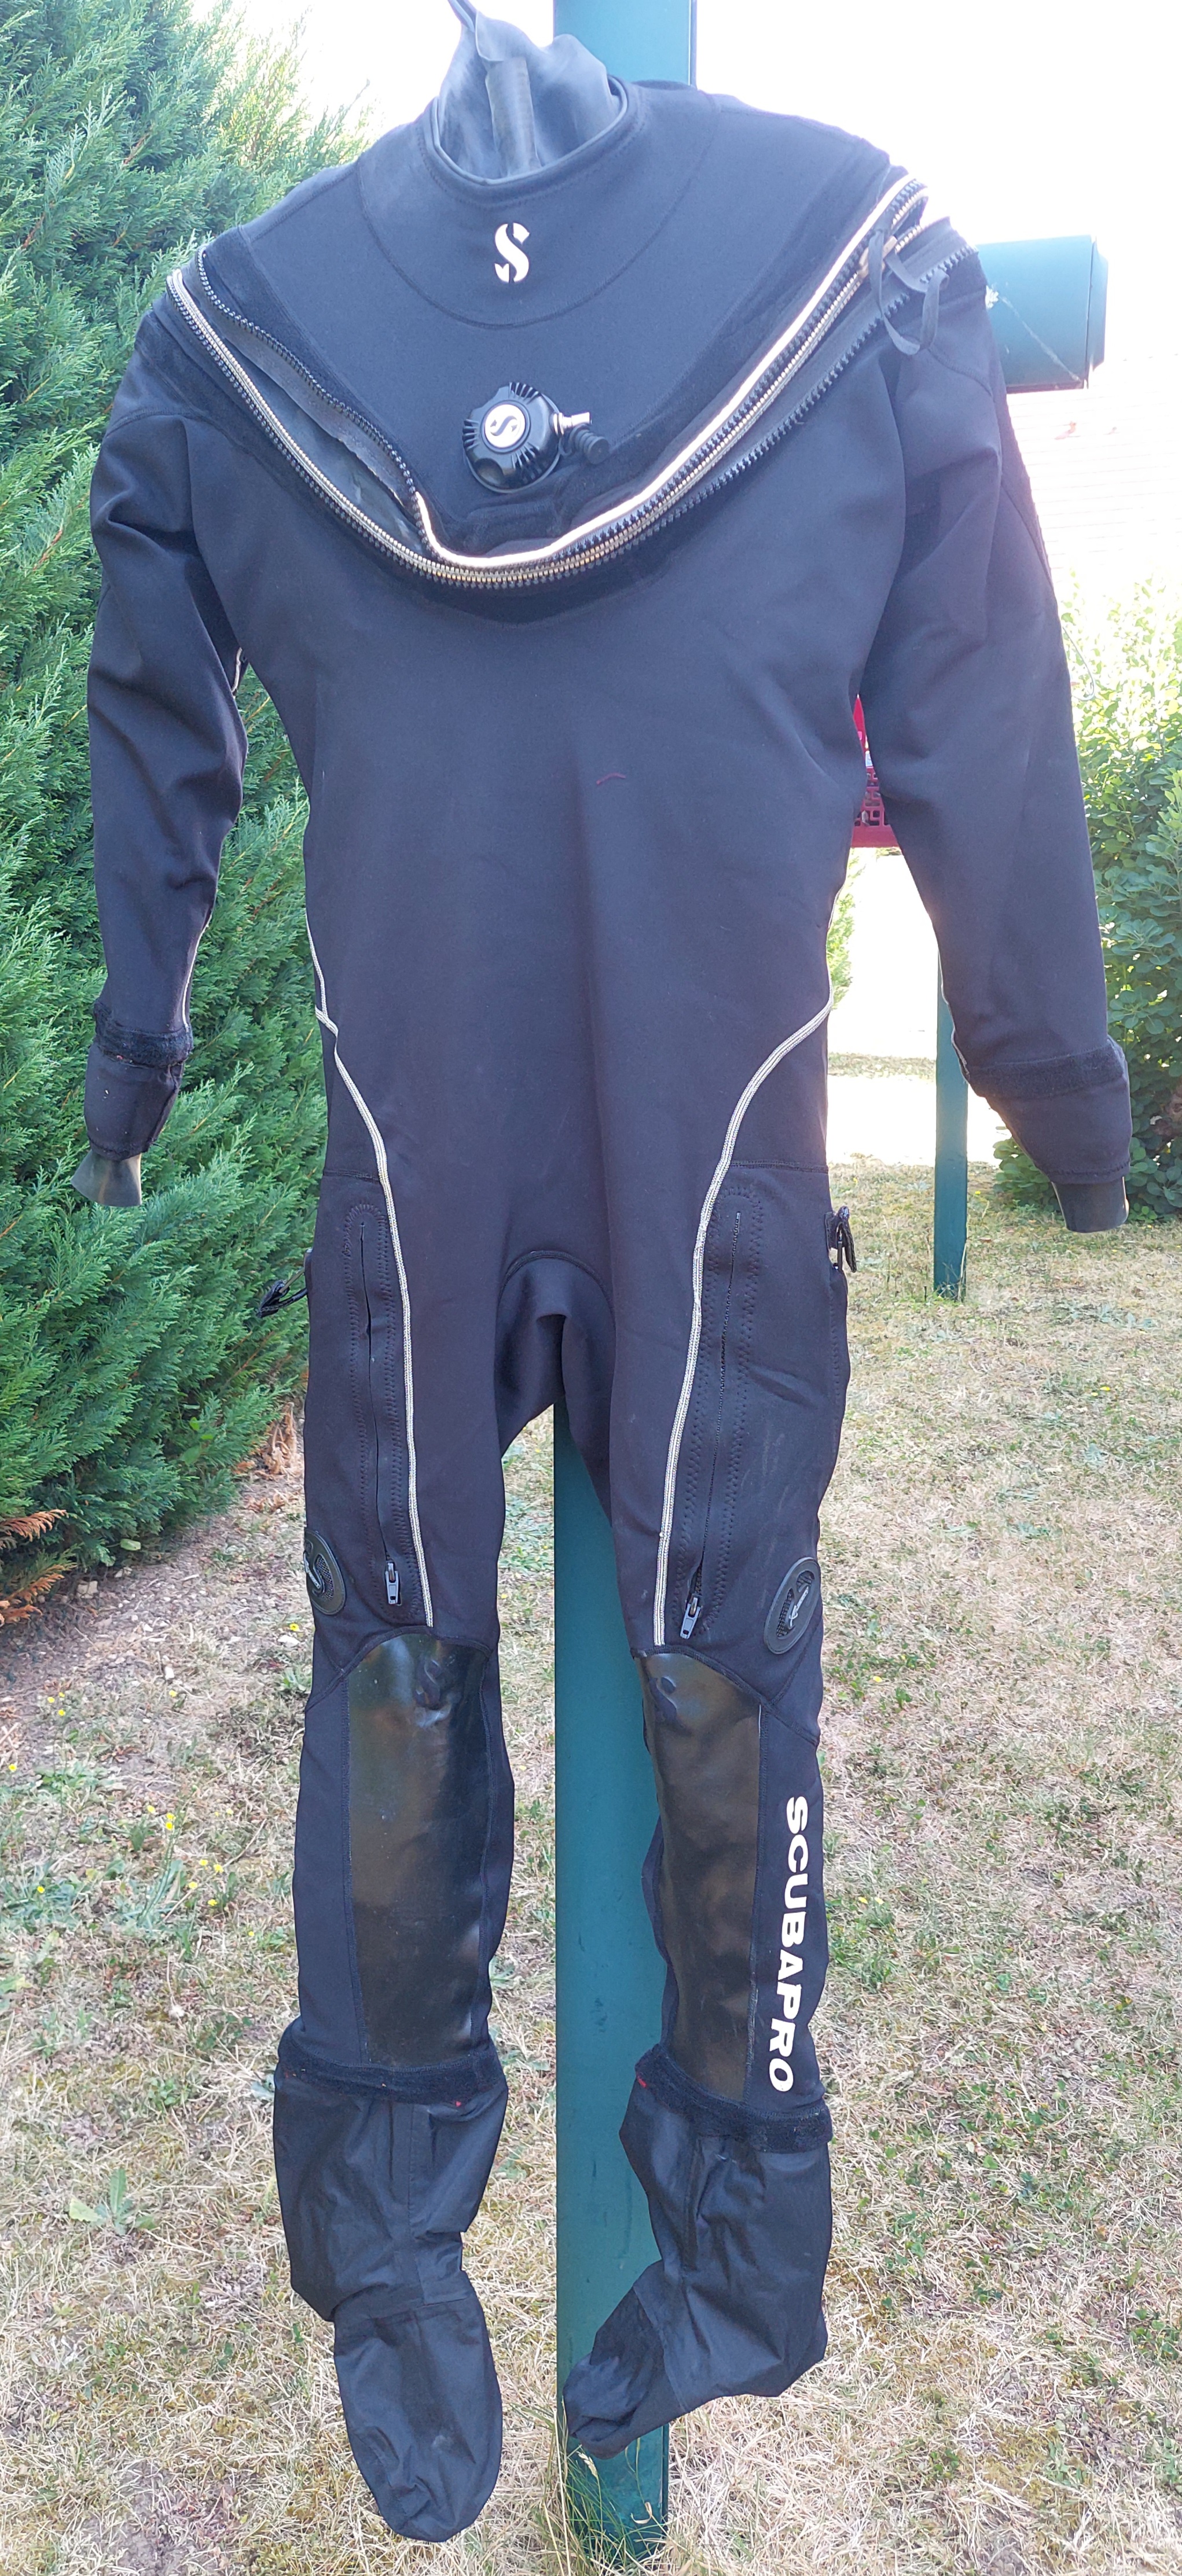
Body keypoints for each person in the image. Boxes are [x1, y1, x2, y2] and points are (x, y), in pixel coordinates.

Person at [75, 0, 1130, 2540]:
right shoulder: (853, 270)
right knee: (583, 1654)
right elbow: (981, 685)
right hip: (684, 1134)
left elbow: (147, 671)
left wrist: (142, 1034)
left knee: (471, 1647)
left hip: (463, 1130)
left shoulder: (246, 337)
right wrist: (1052, 1071)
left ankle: (579, 2235)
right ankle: (518, 2235)